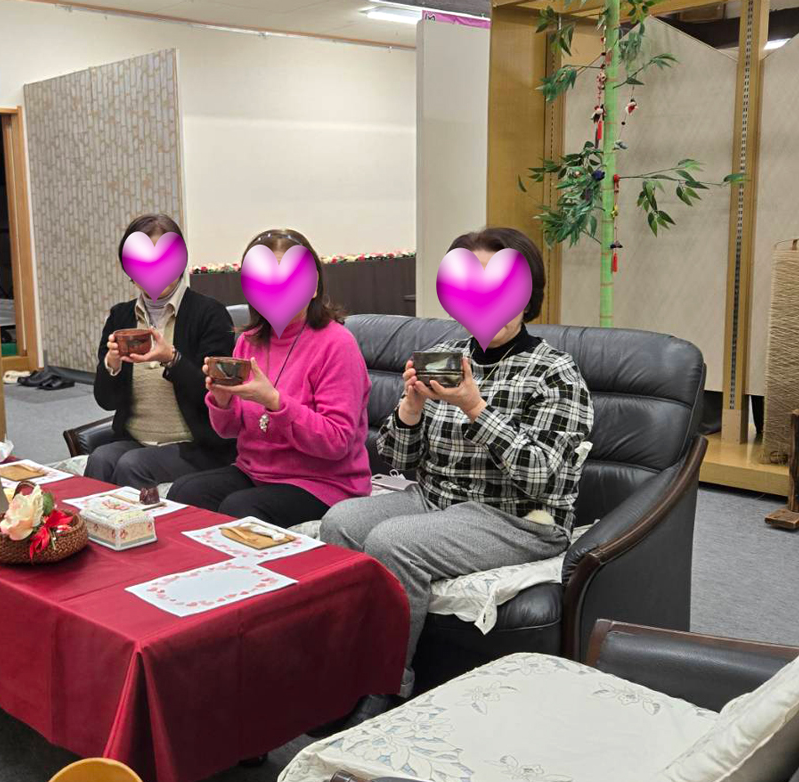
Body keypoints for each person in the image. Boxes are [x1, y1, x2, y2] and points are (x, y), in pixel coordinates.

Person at [320, 226, 594, 725]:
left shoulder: (554, 371)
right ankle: (338, 670)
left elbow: (544, 477)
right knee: (339, 523)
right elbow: (397, 459)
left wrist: (475, 406)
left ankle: (386, 686)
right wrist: (411, 406)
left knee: (393, 542)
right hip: (436, 499)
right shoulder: (448, 354)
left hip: (516, 517)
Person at [169, 228, 371, 528]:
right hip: (256, 472)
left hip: (324, 483)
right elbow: (228, 430)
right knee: (184, 492)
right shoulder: (249, 341)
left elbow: (336, 442)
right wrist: (222, 401)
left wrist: (274, 401)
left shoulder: (337, 344)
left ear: (313, 286)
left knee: (240, 508)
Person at [87, 213, 236, 488]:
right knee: (100, 458)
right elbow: (106, 401)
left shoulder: (209, 314)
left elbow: (216, 394)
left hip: (194, 444)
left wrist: (172, 359)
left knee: (132, 465)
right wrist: (112, 365)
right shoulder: (121, 317)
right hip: (135, 438)